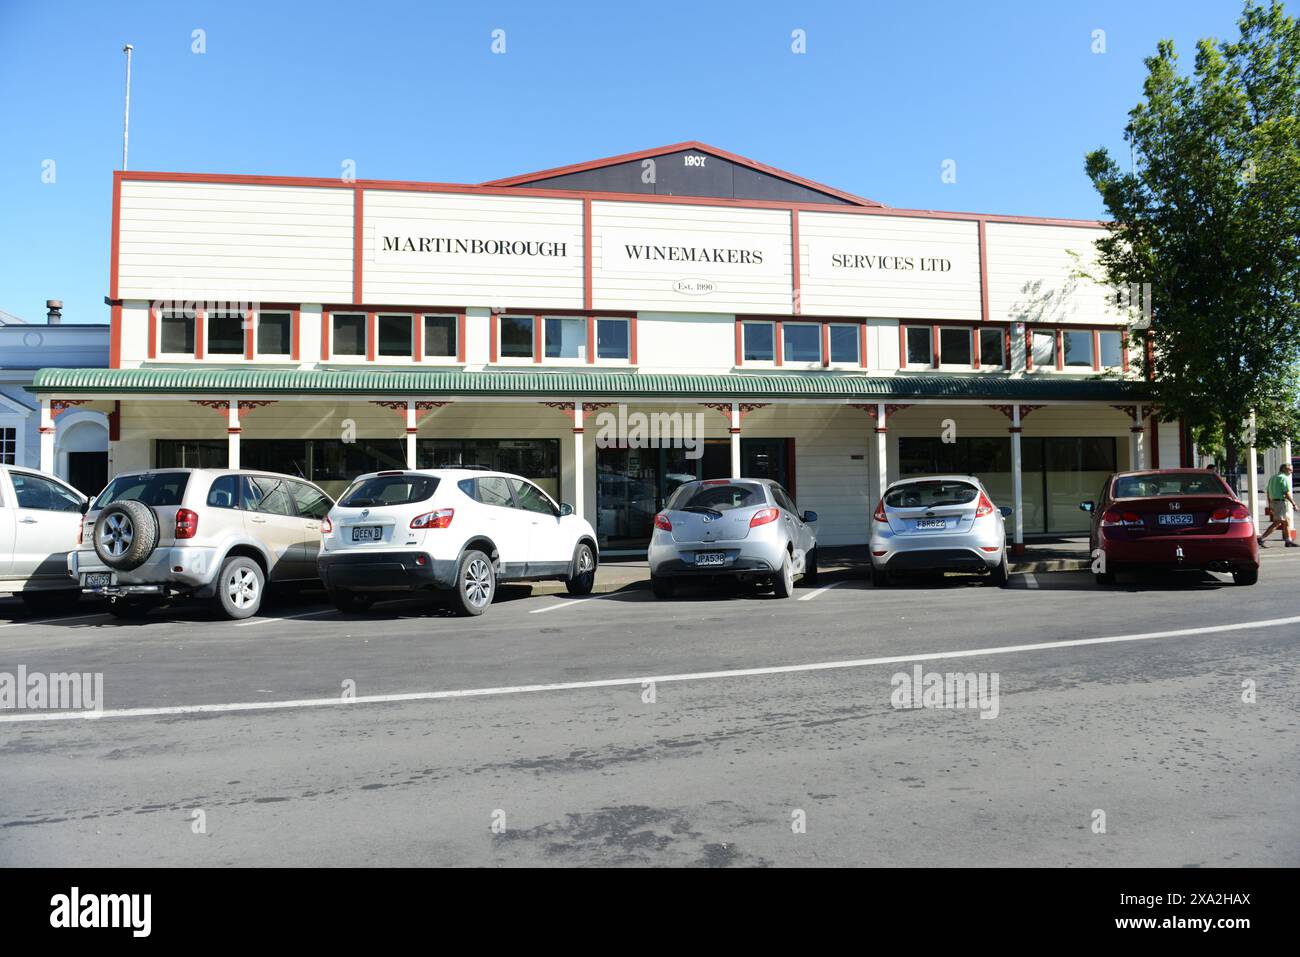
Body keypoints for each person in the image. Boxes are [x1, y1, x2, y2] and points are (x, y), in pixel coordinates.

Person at [1258, 462, 1298, 548]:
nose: (1291, 472)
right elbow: (1286, 492)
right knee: (1277, 522)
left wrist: (1269, 504)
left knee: (1286, 521)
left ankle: (1288, 541)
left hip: (1274, 502)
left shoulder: (1273, 477)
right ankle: (1261, 538)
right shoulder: (1283, 478)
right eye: (1290, 470)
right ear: (1284, 469)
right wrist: (1294, 503)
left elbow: (1268, 492)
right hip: (1280, 502)